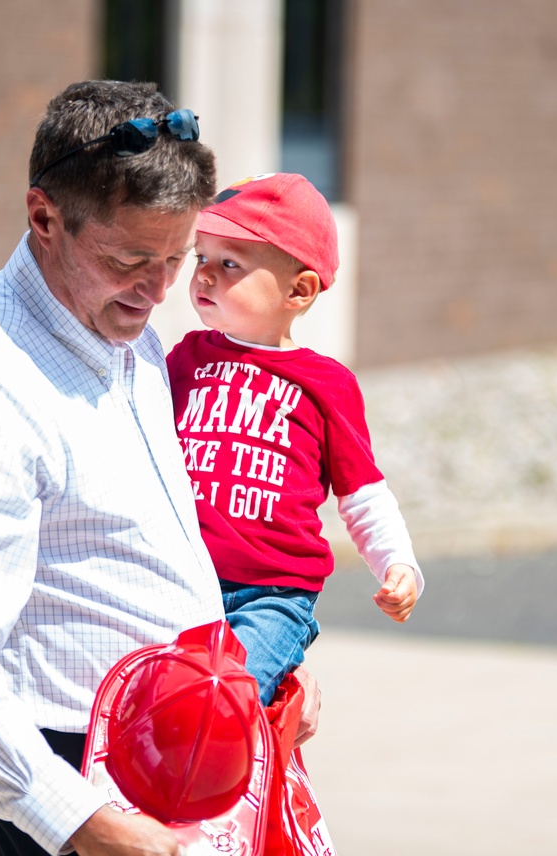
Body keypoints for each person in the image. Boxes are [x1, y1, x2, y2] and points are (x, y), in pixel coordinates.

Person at [0, 83, 319, 856]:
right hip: (80, 776)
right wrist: (85, 822)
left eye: (176, 260)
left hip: (177, 750)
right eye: (129, 259)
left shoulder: (114, 321)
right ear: (44, 217)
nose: (156, 291)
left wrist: (253, 677)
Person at [166, 172, 425, 706]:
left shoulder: (326, 383)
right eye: (201, 258)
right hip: (182, 579)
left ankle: (236, 785)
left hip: (270, 595)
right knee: (158, 702)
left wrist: (399, 563)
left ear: (299, 290)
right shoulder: (184, 358)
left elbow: (363, 494)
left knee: (220, 707)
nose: (205, 275)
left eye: (229, 263)